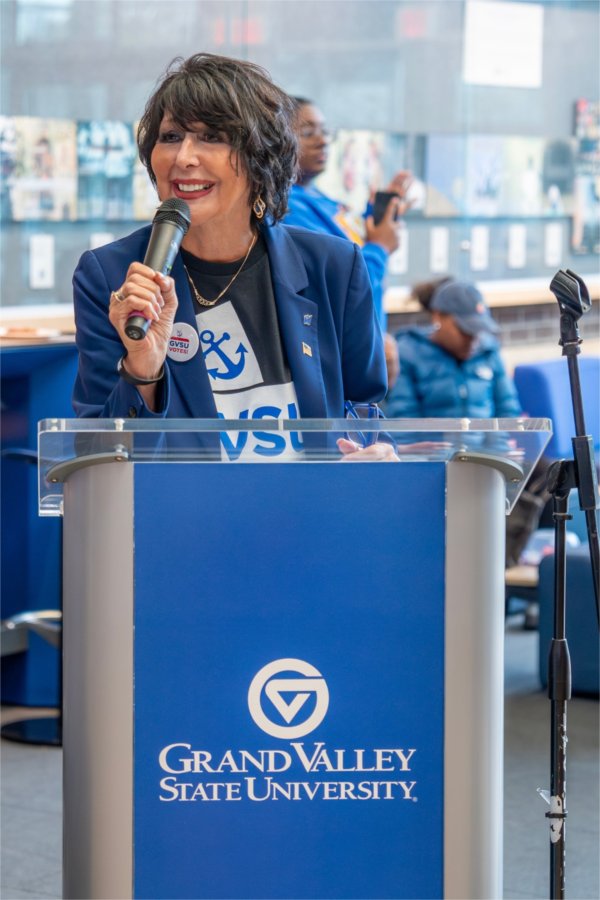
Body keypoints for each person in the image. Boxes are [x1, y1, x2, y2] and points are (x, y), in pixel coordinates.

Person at [72, 53, 394, 462]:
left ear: (261, 157)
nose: (183, 157)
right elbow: (100, 459)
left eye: (211, 137)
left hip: (309, 512)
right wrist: (143, 370)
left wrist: (375, 454)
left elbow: (364, 411)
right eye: (170, 137)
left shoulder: (332, 265)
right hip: (187, 517)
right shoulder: (113, 276)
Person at [284, 98, 411, 335]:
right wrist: (380, 247)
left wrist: (377, 215)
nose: (322, 141)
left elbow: (352, 246)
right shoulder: (286, 207)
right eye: (308, 132)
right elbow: (345, 284)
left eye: (324, 131)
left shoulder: (321, 199)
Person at [383, 278, 522, 419]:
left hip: (487, 441)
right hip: (430, 441)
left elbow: (508, 410)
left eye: (478, 330)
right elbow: (403, 420)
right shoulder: (408, 354)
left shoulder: (489, 351)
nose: (472, 339)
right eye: (464, 330)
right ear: (438, 317)